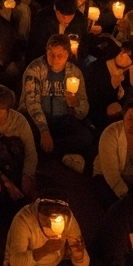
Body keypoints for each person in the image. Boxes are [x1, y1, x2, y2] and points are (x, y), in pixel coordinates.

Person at [3, 197, 99, 266]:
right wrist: (44, 250)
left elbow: (83, 265)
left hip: (55, 265)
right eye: (47, 219)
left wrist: (79, 254)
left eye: (57, 218)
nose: (51, 224)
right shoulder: (24, 219)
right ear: (39, 210)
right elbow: (15, 264)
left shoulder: (68, 218)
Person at [19, 34, 92, 171]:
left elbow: (83, 108)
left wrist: (75, 104)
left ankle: (48, 150)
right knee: (25, 135)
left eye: (60, 56)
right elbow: (32, 103)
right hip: (36, 120)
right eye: (51, 54)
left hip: (62, 119)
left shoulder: (74, 73)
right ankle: (60, 155)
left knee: (86, 138)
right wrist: (44, 131)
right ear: (46, 51)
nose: (55, 59)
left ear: (68, 55)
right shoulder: (35, 69)